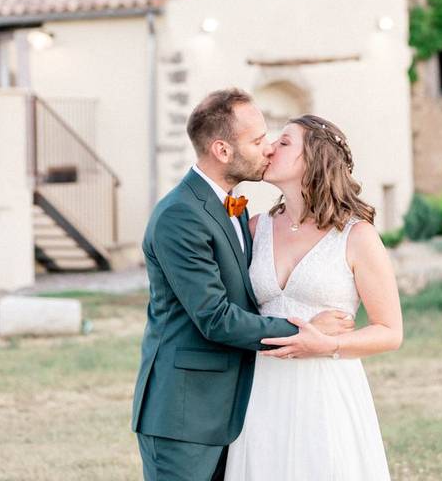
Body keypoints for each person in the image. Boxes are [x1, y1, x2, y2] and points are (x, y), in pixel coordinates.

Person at [132, 89, 355, 481]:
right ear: (222, 150)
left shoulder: (237, 209)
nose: (268, 148)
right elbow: (215, 318)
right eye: (256, 141)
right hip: (183, 412)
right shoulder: (180, 216)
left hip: (236, 406)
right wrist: (305, 329)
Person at [224, 114, 404, 480]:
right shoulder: (255, 228)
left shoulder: (357, 236)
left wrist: (326, 343)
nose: (270, 147)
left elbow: (390, 331)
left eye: (285, 142)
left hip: (326, 388)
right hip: (263, 385)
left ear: (315, 159)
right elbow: (233, 312)